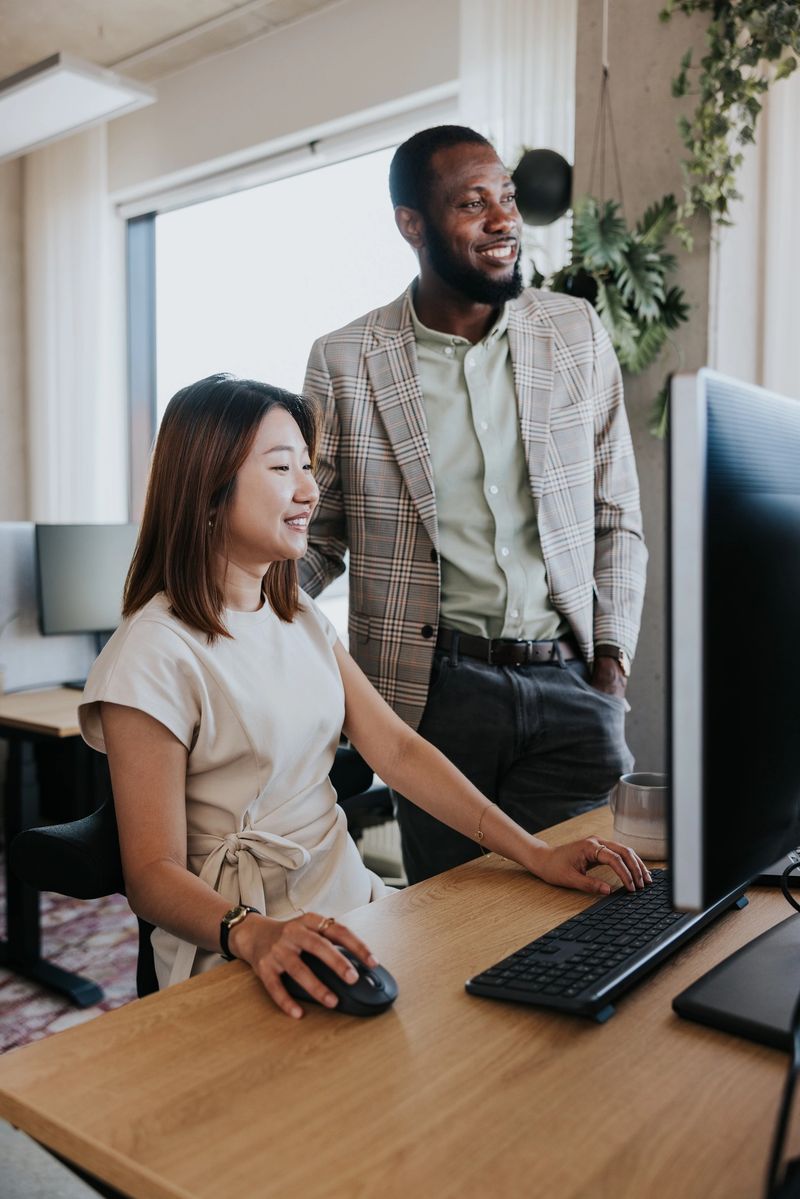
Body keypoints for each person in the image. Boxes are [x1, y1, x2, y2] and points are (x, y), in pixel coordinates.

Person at [79, 374, 649, 1019]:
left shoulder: (298, 620)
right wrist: (251, 931)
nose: (308, 489)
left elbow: (399, 751)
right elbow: (150, 873)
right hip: (243, 941)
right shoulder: (152, 651)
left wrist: (536, 853)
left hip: (354, 909)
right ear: (208, 493)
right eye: (280, 467)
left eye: (307, 465)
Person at [299, 125, 648, 885]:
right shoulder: (345, 361)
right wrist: (230, 606)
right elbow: (316, 537)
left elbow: (615, 514)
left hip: (572, 685)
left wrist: (611, 664)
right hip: (435, 700)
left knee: (597, 914)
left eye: (509, 198)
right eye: (472, 203)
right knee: (455, 929)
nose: (503, 220)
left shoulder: (574, 331)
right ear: (412, 225)